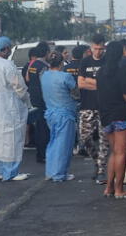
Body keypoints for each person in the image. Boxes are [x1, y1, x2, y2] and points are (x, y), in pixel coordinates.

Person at [0, 37, 31, 182]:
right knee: (13, 141)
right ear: (5, 49)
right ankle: (11, 172)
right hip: (10, 107)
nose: (10, 50)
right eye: (9, 48)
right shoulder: (7, 65)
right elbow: (19, 87)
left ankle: (1, 171)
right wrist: (27, 101)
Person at [97, 42, 126, 198]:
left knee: (113, 153)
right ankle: (119, 190)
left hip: (106, 114)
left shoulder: (100, 72)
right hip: (121, 113)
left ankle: (109, 188)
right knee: (121, 153)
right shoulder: (122, 71)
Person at [41, 51, 77, 182]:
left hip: (50, 113)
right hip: (65, 113)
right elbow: (76, 93)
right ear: (62, 62)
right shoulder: (66, 77)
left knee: (53, 142)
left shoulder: (44, 75)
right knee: (63, 144)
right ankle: (59, 173)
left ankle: (51, 171)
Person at [78, 34, 108, 184]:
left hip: (104, 106)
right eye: (95, 49)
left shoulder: (107, 61)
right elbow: (81, 83)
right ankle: (97, 161)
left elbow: (109, 84)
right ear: (91, 48)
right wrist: (100, 84)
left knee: (104, 139)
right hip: (87, 106)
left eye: (100, 49)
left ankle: (102, 170)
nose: (98, 52)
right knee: (85, 137)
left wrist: (90, 81)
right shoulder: (85, 62)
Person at [27, 42, 51, 163]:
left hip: (34, 99)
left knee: (38, 127)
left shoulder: (33, 64)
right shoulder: (44, 67)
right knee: (43, 128)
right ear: (46, 53)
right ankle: (42, 154)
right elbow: (45, 84)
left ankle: (40, 153)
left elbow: (28, 79)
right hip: (43, 101)